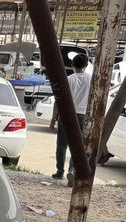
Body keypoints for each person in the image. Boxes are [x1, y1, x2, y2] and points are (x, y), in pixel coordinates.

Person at [54, 54, 91, 186]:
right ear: (86, 66)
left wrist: (53, 118)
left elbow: (59, 100)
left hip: (66, 115)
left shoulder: (68, 79)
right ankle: (73, 170)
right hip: (82, 116)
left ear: (72, 65)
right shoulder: (91, 79)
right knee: (78, 146)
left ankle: (59, 171)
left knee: (62, 145)